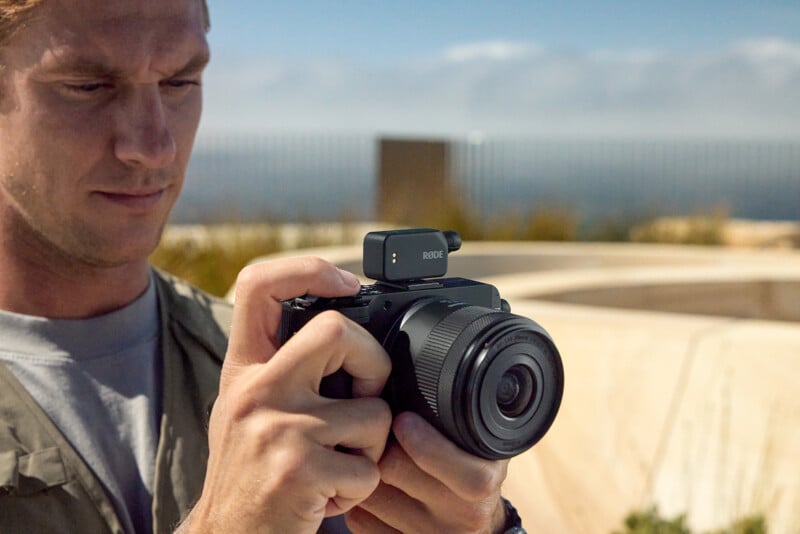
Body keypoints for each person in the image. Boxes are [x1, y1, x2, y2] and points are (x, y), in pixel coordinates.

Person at [0, 1, 523, 532]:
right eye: (88, 86)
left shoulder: (291, 365)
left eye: (181, 82)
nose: (154, 146)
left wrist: (491, 526)